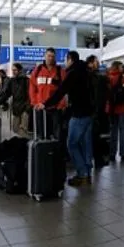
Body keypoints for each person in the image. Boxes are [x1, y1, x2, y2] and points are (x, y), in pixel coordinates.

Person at [38, 51, 94, 186]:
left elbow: (61, 91)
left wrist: (45, 104)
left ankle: (82, 174)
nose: (64, 62)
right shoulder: (86, 72)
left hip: (79, 114)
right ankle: (87, 172)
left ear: (70, 59)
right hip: (90, 113)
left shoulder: (73, 73)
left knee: (72, 144)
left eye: (66, 59)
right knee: (85, 144)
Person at [29, 48, 66, 141]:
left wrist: (61, 105)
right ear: (45, 56)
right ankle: (43, 153)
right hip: (40, 107)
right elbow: (32, 88)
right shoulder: (37, 71)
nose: (50, 58)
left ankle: (55, 152)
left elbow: (63, 90)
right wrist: (34, 103)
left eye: (52, 56)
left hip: (55, 108)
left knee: (57, 134)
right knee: (41, 134)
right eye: (48, 56)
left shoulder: (59, 71)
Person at [105, 61, 124, 163]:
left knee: (113, 131)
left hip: (111, 108)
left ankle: (111, 153)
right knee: (122, 130)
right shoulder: (123, 77)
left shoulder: (107, 77)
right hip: (122, 108)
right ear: (118, 67)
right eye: (122, 66)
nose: (123, 68)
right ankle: (123, 153)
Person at [0, 63, 31, 138]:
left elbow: (30, 94)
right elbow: (6, 93)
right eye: (12, 70)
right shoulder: (12, 81)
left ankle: (26, 143)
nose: (13, 72)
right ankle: (28, 140)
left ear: (20, 70)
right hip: (16, 108)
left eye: (15, 70)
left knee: (23, 128)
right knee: (15, 128)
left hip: (25, 108)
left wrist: (28, 107)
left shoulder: (26, 80)